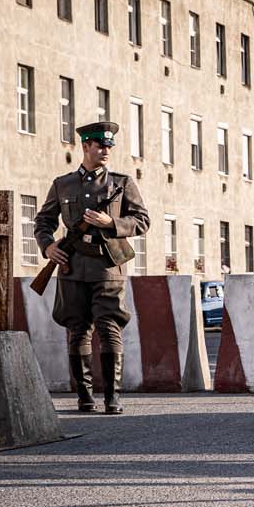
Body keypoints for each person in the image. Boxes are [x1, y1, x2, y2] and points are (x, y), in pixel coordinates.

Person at [35, 121, 150, 414]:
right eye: (100, 145)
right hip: (72, 267)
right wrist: (48, 245)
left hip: (107, 267)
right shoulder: (63, 184)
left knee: (109, 328)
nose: (106, 150)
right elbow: (44, 221)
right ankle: (85, 397)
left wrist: (111, 223)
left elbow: (142, 221)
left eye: (109, 145)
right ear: (85, 147)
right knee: (77, 330)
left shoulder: (121, 184)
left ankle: (112, 398)